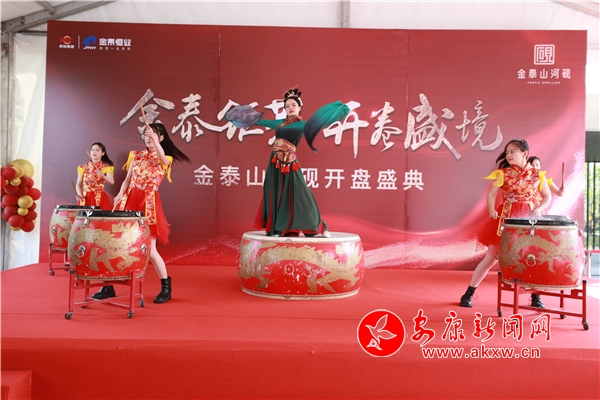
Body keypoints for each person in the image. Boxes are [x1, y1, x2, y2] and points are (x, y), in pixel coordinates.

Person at [226, 86, 350, 237]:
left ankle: (320, 226)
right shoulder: (280, 123)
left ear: (299, 107)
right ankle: (278, 228)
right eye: (287, 106)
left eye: (293, 105)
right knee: (275, 192)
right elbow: (260, 122)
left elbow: (322, 122)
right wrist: (238, 117)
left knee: (301, 192)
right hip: (275, 161)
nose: (290, 108)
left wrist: (340, 111)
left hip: (290, 162)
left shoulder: (304, 125)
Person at [91, 123, 191, 303]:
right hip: (129, 201)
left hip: (148, 204)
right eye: (146, 134)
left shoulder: (165, 158)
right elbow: (127, 180)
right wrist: (120, 194)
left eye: (153, 134)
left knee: (150, 250)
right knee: (116, 243)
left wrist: (155, 142)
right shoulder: (135, 155)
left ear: (161, 138)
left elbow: (163, 158)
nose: (148, 137)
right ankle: (108, 286)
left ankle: (166, 287)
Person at [459, 139, 551, 309]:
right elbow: (492, 195)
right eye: (507, 152)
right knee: (491, 257)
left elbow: (547, 196)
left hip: (530, 221)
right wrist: (491, 210)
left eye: (512, 151)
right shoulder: (503, 174)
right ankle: (469, 293)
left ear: (524, 154)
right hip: (506, 219)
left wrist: (539, 209)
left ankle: (536, 297)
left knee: (532, 258)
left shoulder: (538, 175)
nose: (508, 155)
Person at [75, 142, 114, 210]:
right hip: (86, 197)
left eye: (97, 150)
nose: (94, 152)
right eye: (92, 150)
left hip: (99, 197)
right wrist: (79, 194)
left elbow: (112, 182)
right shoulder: (82, 167)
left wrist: (103, 176)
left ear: (103, 153)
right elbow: (78, 184)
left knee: (99, 216)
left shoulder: (106, 167)